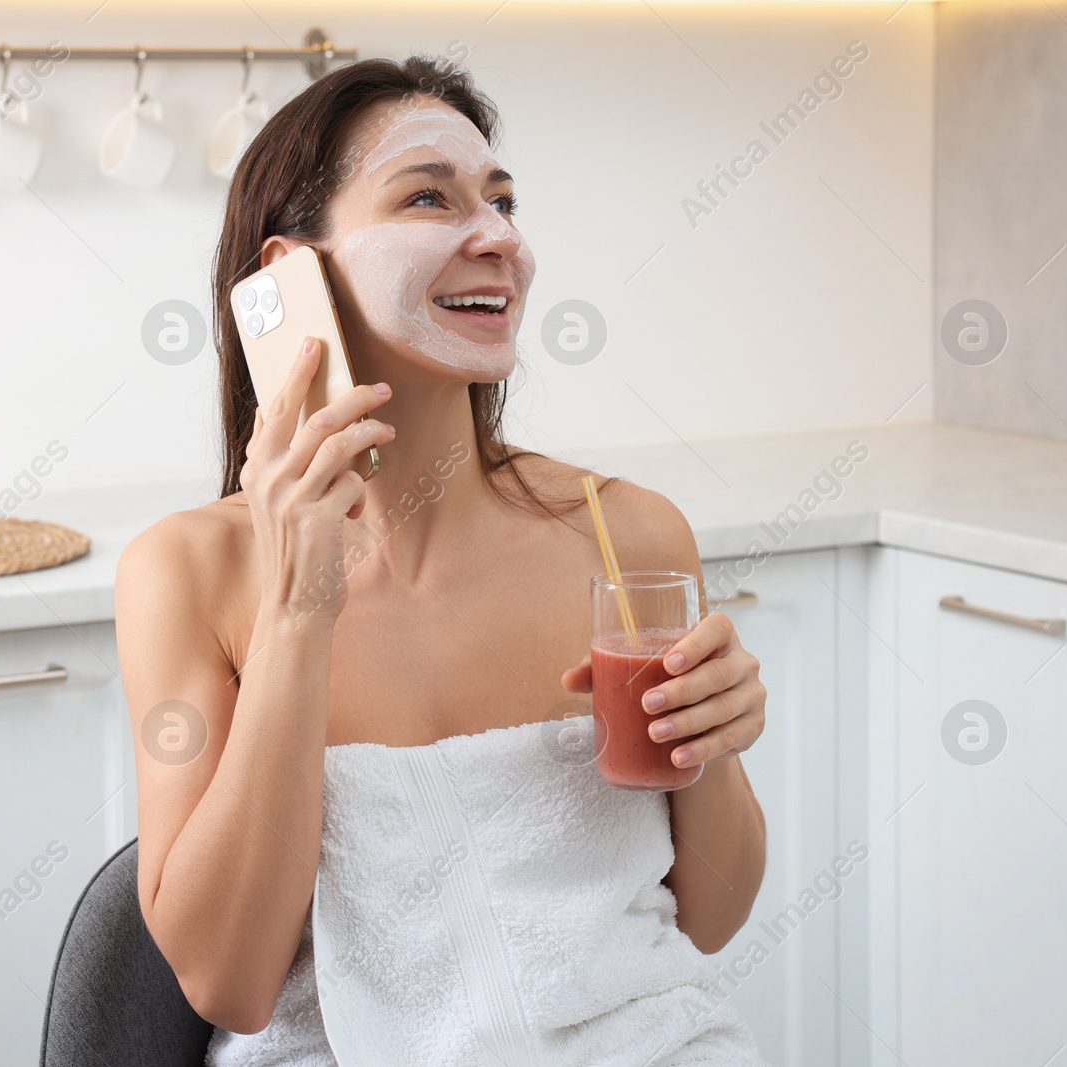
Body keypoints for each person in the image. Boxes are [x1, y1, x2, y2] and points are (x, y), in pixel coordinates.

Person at [116, 54, 769, 1066]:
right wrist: (298, 608)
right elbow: (231, 982)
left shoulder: (625, 534)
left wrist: (714, 750)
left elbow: (705, 919)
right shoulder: (188, 573)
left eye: (503, 201)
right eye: (429, 197)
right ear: (292, 272)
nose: (501, 238)